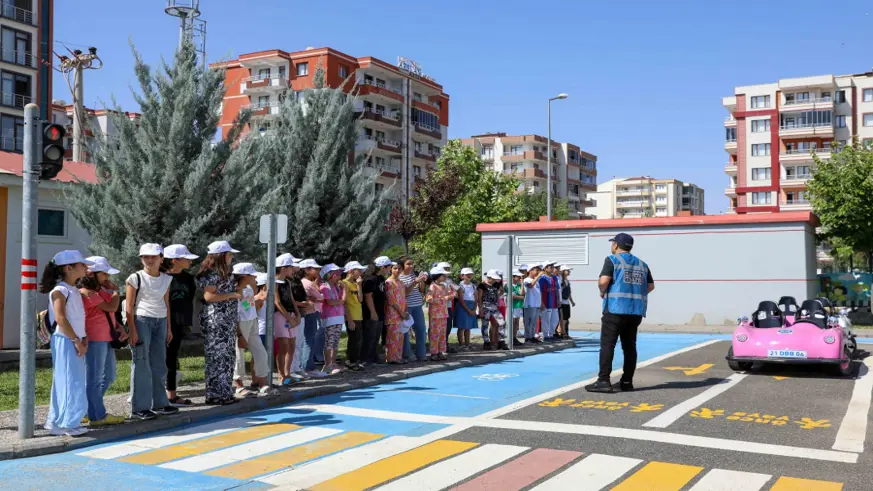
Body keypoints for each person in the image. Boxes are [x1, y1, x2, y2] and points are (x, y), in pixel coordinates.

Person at [586, 233, 655, 394]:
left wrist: (603, 291)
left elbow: (604, 281)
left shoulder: (612, 260)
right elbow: (650, 286)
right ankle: (626, 381)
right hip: (635, 311)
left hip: (615, 309)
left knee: (608, 345)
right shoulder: (642, 264)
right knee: (629, 346)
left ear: (616, 245)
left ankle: (603, 380)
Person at [40, 250, 93, 436]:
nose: (86, 267)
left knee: (70, 380)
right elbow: (61, 318)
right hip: (65, 339)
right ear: (69, 268)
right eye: (82, 264)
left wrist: (83, 336)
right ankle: (67, 423)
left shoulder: (72, 290)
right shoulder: (60, 290)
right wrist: (76, 340)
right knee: (70, 381)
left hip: (72, 339)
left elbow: (76, 318)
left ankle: (58, 421)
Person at [126, 244, 179, 420]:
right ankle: (139, 407)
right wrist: (132, 329)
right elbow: (129, 305)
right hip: (142, 320)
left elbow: (167, 304)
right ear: (141, 259)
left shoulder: (166, 279)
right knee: (141, 363)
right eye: (145, 257)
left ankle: (160, 403)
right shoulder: (135, 278)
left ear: (161, 258)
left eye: (153, 256)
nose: (149, 260)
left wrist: (169, 327)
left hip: (161, 321)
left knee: (159, 363)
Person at [78, 256, 126, 426]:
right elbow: (112, 306)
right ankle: (97, 415)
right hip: (95, 339)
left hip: (106, 337)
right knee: (95, 379)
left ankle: (86, 409)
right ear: (92, 274)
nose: (107, 278)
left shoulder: (100, 291)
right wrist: (116, 292)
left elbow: (110, 313)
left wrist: (118, 326)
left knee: (109, 376)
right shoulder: (86, 292)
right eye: (104, 274)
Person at [197, 240, 242, 405]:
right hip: (216, 321)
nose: (231, 257)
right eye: (229, 254)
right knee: (217, 357)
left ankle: (225, 392)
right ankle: (215, 394)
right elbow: (209, 297)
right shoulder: (211, 274)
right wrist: (231, 295)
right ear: (222, 256)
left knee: (227, 356)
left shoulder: (224, 273)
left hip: (226, 321)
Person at [162, 244, 199, 407]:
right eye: (186, 258)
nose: (190, 262)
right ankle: (151, 393)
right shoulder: (161, 277)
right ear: (175, 260)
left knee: (172, 358)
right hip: (161, 321)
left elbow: (189, 298)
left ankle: (172, 395)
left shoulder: (188, 278)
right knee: (158, 358)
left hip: (179, 323)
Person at [232, 263, 271, 396]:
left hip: (252, 321)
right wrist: (239, 335)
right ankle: (239, 385)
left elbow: (249, 306)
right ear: (244, 276)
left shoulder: (248, 288)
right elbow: (233, 313)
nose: (255, 277)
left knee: (261, 352)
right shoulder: (233, 290)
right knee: (238, 355)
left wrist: (258, 298)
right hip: (240, 324)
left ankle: (262, 383)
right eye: (252, 275)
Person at [274, 253, 302, 384]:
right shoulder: (274, 282)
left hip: (290, 314)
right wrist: (288, 318)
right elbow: (277, 302)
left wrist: (297, 315)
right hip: (280, 316)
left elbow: (291, 299)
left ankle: (288, 373)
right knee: (283, 346)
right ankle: (281, 375)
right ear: (283, 268)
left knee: (291, 345)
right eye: (291, 267)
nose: (293, 269)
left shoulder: (287, 282)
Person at [299, 258, 328, 378]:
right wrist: (318, 293)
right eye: (315, 269)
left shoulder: (304, 282)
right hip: (311, 313)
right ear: (306, 270)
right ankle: (308, 367)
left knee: (307, 340)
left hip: (310, 312)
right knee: (309, 340)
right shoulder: (309, 283)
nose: (318, 271)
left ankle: (305, 366)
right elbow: (321, 297)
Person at [362, 257, 392, 365]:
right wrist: (373, 312)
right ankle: (365, 359)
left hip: (380, 312)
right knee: (369, 336)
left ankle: (373, 356)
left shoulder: (381, 279)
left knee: (375, 337)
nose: (390, 269)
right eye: (389, 267)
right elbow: (368, 296)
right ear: (383, 267)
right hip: (371, 313)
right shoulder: (371, 279)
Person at [398, 256, 428, 361]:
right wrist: (415, 282)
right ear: (402, 265)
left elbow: (421, 290)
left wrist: (421, 282)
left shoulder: (413, 274)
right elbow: (405, 293)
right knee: (405, 330)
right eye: (408, 264)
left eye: (412, 263)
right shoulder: (399, 277)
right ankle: (407, 353)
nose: (411, 266)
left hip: (417, 305)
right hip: (406, 306)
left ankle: (421, 353)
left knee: (421, 329)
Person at [319, 264, 346, 375]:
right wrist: (339, 301)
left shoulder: (336, 287)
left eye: (339, 274)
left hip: (338, 316)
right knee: (329, 341)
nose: (339, 277)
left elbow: (342, 300)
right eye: (337, 274)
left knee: (335, 341)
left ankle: (333, 362)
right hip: (329, 317)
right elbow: (330, 302)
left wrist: (343, 290)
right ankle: (327, 364)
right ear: (330, 275)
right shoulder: (324, 286)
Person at [342, 261, 367, 370]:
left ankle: (355, 360)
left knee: (358, 339)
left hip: (358, 315)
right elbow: (345, 303)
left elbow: (360, 299)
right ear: (351, 271)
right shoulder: (344, 283)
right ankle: (350, 361)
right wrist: (349, 319)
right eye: (359, 270)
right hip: (351, 316)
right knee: (354, 339)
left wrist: (359, 285)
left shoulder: (356, 284)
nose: (361, 273)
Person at [426, 267, 453, 360]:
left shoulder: (444, 286)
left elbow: (450, 294)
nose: (445, 277)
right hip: (435, 314)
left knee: (442, 333)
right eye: (443, 275)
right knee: (435, 333)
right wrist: (442, 299)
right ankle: (434, 352)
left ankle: (441, 351)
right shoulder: (432, 286)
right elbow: (429, 299)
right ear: (437, 276)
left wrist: (450, 295)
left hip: (443, 313)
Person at [385, 262, 410, 364]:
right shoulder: (388, 282)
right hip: (393, 314)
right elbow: (391, 300)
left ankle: (398, 357)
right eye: (395, 268)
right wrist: (400, 312)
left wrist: (405, 311)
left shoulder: (400, 282)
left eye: (399, 268)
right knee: (393, 337)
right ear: (391, 269)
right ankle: (392, 358)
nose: (397, 270)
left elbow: (403, 298)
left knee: (400, 336)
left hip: (402, 313)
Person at [477, 271, 507, 350]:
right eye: (493, 279)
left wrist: (498, 296)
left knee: (502, 322)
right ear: (489, 277)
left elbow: (502, 291)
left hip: (494, 307)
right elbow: (479, 299)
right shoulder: (482, 285)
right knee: (485, 324)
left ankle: (501, 341)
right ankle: (486, 342)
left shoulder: (496, 285)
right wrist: (480, 309)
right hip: (485, 307)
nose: (494, 281)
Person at [538, 261, 562, 341]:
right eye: (550, 267)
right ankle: (546, 335)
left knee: (555, 319)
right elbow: (540, 291)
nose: (552, 268)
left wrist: (558, 299)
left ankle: (551, 334)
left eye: (552, 267)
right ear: (545, 268)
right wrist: (541, 302)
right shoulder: (542, 278)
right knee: (546, 320)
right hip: (546, 303)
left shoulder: (554, 277)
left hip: (554, 302)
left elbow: (556, 290)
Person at [454, 267, 477, 350]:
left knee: (468, 327)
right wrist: (468, 310)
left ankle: (468, 344)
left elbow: (476, 299)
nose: (469, 276)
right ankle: (461, 344)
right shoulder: (460, 286)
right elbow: (461, 300)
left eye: (470, 274)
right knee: (461, 327)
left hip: (471, 306)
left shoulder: (473, 286)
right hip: (462, 308)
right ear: (462, 276)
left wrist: (474, 309)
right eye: (467, 274)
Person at [522, 264, 542, 344]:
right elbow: (530, 286)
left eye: (538, 270)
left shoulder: (536, 281)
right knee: (528, 322)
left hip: (536, 304)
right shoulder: (526, 280)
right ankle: (528, 338)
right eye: (536, 270)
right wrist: (538, 276)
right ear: (530, 271)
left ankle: (532, 336)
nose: (537, 271)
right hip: (529, 304)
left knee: (534, 322)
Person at [559, 264, 576, 339]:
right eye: (567, 270)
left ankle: (565, 332)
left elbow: (569, 293)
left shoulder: (567, 281)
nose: (569, 272)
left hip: (566, 302)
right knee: (562, 319)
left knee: (566, 318)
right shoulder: (560, 280)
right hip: (561, 302)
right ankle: (562, 333)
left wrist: (572, 301)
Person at [509, 270, 525, 345]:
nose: (520, 278)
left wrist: (522, 284)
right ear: (513, 277)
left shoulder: (519, 285)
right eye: (518, 276)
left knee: (516, 323)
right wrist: (521, 297)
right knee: (512, 322)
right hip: (512, 306)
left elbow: (522, 293)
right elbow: (512, 296)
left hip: (518, 306)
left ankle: (514, 338)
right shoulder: (509, 285)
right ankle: (511, 338)